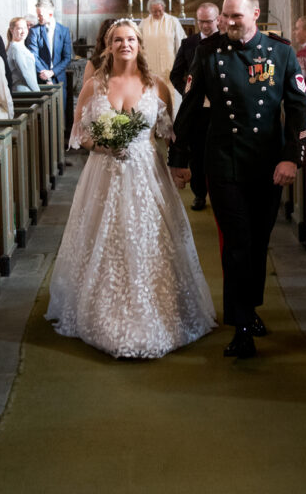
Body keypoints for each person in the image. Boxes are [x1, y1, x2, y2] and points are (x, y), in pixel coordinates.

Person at [46, 19, 215, 358]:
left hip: (146, 172)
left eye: (131, 40)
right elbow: (80, 133)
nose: (125, 45)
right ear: (109, 46)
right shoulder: (94, 85)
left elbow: (169, 134)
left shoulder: (156, 86)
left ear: (139, 44)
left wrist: (181, 168)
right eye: (118, 40)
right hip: (104, 172)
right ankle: (101, 312)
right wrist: (105, 143)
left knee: (152, 238)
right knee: (105, 238)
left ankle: (161, 311)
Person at [170, 0, 306, 359]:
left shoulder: (281, 53)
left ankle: (249, 308)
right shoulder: (208, 52)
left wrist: (292, 157)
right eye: (226, 16)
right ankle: (242, 325)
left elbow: (296, 110)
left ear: (255, 15)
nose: (229, 22)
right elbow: (190, 105)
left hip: (267, 164)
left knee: (258, 243)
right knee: (238, 243)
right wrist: (178, 156)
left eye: (236, 16)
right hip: (225, 161)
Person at [169, 2, 220, 210]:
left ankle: (218, 194)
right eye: (201, 21)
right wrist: (188, 94)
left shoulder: (225, 42)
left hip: (219, 110)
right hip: (197, 110)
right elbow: (175, 74)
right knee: (197, 154)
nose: (205, 26)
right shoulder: (189, 43)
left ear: (218, 20)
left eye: (208, 21)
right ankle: (199, 194)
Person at [25, 0, 73, 123]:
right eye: (37, 15)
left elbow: (67, 57)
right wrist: (46, 76)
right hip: (41, 79)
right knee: (43, 119)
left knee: (60, 117)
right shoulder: (34, 31)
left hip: (59, 80)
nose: (38, 18)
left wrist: (52, 73)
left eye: (40, 15)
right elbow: (33, 55)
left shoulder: (64, 31)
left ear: (50, 14)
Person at [140, 0, 186, 110]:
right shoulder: (143, 24)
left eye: (160, 10)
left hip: (169, 68)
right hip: (150, 68)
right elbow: (138, 45)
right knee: (151, 101)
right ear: (149, 11)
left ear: (164, 8)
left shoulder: (173, 21)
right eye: (154, 11)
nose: (157, 13)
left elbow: (181, 44)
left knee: (171, 99)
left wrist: (182, 64)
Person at [6, 16, 41, 92]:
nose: (23, 31)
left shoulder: (20, 46)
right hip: (23, 91)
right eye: (19, 28)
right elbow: (26, 74)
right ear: (12, 30)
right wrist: (38, 92)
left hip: (28, 89)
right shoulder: (16, 48)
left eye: (25, 28)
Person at [81, 17, 117, 86]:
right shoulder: (94, 62)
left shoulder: (127, 60)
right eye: (107, 37)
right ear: (103, 39)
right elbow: (86, 91)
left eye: (115, 37)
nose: (111, 41)